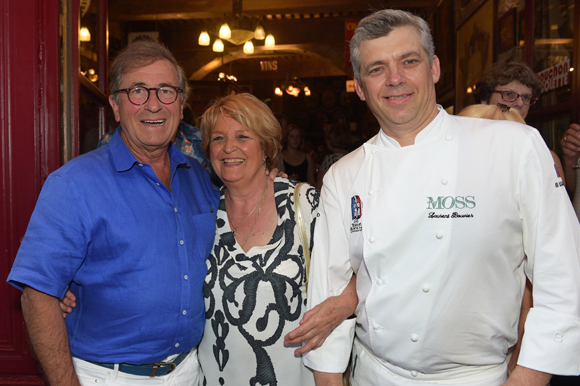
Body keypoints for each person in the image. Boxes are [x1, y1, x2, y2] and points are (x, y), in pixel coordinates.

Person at [303, 9, 580, 386]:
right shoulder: (343, 175)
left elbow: (562, 273)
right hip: (375, 375)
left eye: (409, 61)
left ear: (433, 68)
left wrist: (528, 376)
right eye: (377, 68)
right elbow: (328, 295)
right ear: (361, 86)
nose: (395, 79)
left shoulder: (514, 146)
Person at [7, 39, 219, 386]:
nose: (154, 104)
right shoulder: (73, 184)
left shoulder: (197, 177)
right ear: (116, 107)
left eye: (166, 91)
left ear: (181, 105)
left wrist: (267, 179)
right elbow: (38, 294)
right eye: (138, 91)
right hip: (107, 377)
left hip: (190, 371)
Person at [196, 93, 357, 385]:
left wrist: (346, 302)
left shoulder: (303, 204)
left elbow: (358, 272)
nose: (228, 147)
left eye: (242, 136)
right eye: (218, 138)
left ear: (266, 146)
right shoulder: (202, 212)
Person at [477, 60, 542, 121]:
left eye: (526, 97)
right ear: (485, 99)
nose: (520, 103)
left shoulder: (531, 133)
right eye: (509, 94)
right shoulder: (469, 131)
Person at [315, 121, 352, 189]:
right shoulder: (353, 156)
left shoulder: (331, 159)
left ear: (331, 140)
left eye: (326, 138)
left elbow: (320, 186)